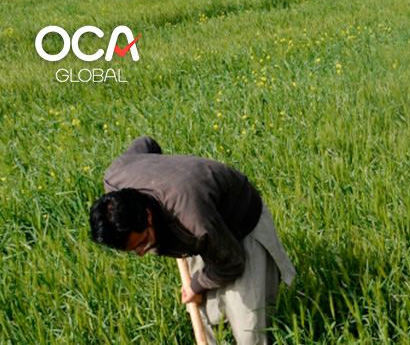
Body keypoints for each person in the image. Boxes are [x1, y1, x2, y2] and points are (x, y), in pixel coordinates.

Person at [89, 135, 296, 344]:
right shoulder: (115, 179)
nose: (142, 253)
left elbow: (232, 262)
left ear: (148, 216)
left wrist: (196, 286)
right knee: (209, 316)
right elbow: (145, 143)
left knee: (248, 330)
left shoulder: (193, 222)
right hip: (198, 220)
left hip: (240, 222)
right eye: (133, 250)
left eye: (142, 243)